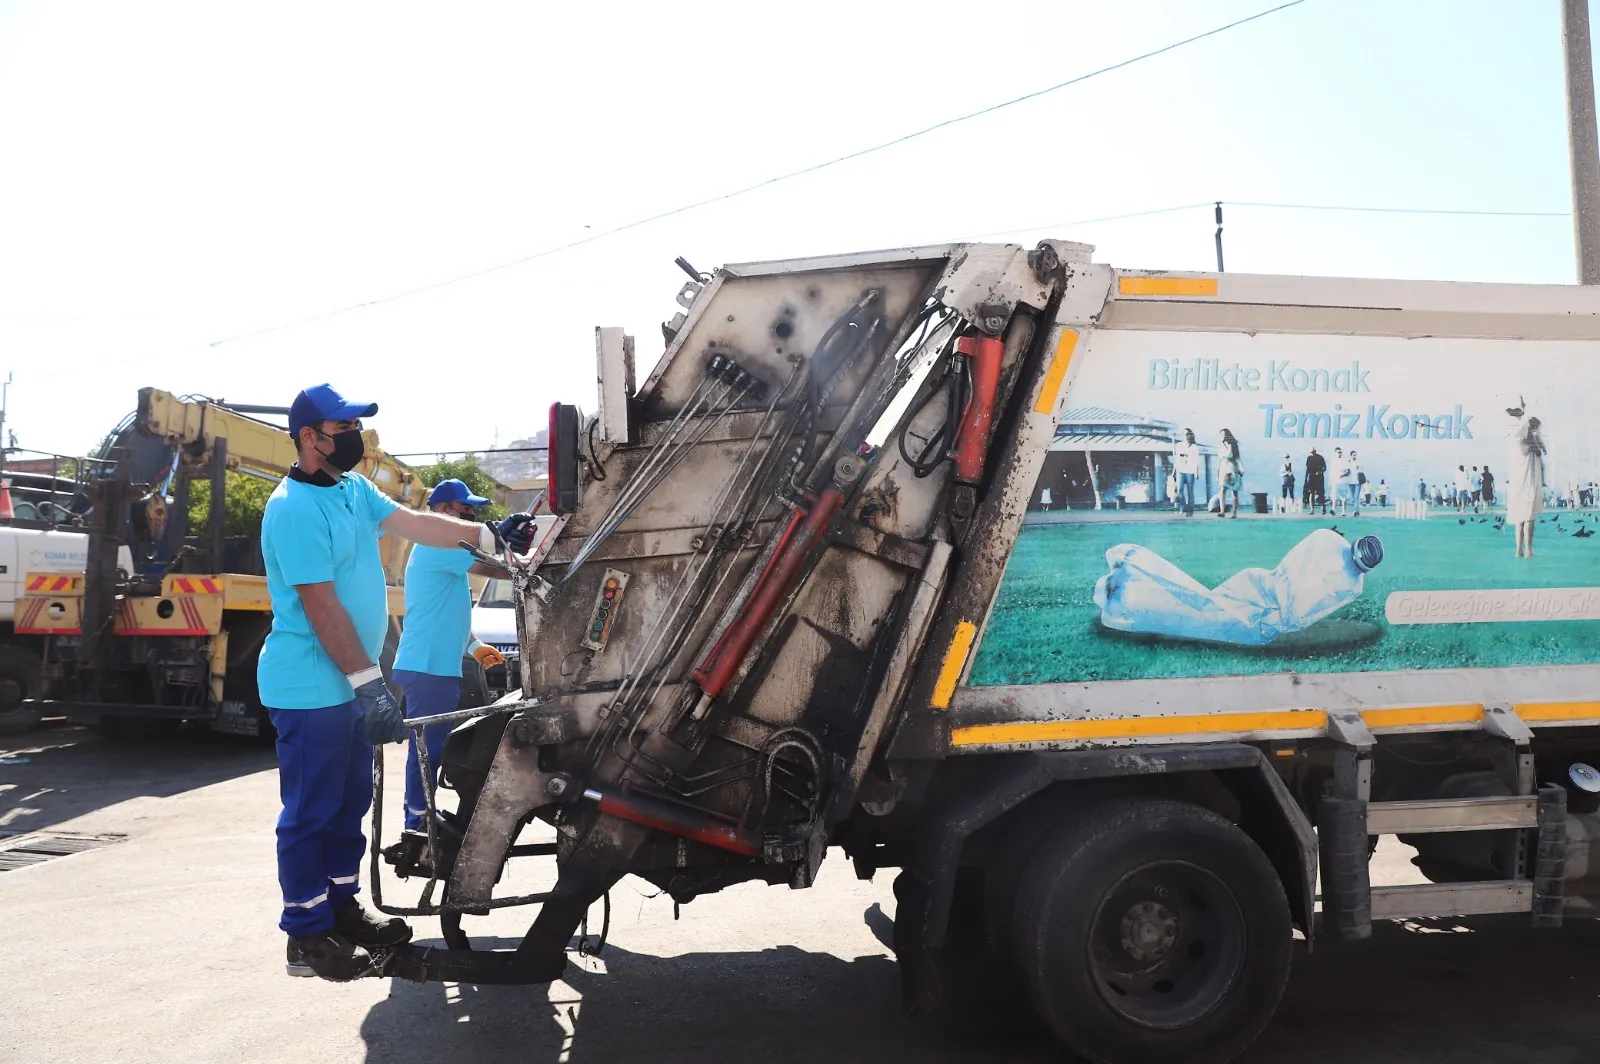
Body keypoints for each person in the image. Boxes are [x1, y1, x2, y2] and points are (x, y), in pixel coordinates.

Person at [259, 384, 538, 982]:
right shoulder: (292, 509)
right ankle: (305, 935)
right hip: (310, 686)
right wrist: (369, 682)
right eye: (344, 428)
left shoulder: (351, 490)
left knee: (350, 802)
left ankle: (340, 908)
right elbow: (321, 607)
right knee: (311, 809)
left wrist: (489, 533)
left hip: (346, 685)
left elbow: (417, 523)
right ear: (310, 437)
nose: (354, 437)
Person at [392, 479, 514, 845]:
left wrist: (475, 646)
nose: (471, 515)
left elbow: (449, 611)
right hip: (428, 666)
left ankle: (421, 811)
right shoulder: (434, 545)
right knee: (427, 748)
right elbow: (496, 568)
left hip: (434, 664)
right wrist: (538, 561)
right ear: (444, 510)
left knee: (434, 746)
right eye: (465, 509)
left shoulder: (441, 552)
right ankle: (417, 819)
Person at [1506, 401, 1546, 558]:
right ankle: (1528, 550)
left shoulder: (1512, 434)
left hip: (1516, 480)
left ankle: (1518, 550)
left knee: (1519, 518)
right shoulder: (1525, 434)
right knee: (1529, 517)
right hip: (1527, 478)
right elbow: (1538, 450)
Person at [1173, 428, 1200, 517]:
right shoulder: (1179, 445)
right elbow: (1177, 459)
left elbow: (1196, 461)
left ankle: (1190, 510)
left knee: (1190, 491)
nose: (1186, 436)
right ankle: (1183, 507)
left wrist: (1196, 472)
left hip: (1190, 471)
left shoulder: (1194, 447)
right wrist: (1174, 471)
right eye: (1185, 434)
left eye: (1188, 434)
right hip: (1180, 470)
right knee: (1180, 489)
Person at [1305, 448, 1328, 515]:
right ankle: (1312, 510)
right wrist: (1306, 479)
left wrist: (1320, 472)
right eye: (1311, 452)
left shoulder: (1320, 457)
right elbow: (1308, 469)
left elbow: (1324, 467)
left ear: (1315, 451)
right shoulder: (1309, 458)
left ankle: (1323, 508)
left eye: (1313, 452)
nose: (1312, 453)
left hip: (1319, 478)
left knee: (1320, 493)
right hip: (1311, 478)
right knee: (1311, 493)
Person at [1332, 447, 1352, 516]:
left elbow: (1349, 472)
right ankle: (1333, 510)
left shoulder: (1344, 461)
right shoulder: (1334, 461)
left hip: (1343, 481)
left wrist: (1343, 475)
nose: (1339, 453)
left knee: (1344, 497)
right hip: (1336, 482)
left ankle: (1343, 512)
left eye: (1340, 452)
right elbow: (1332, 473)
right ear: (1335, 453)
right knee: (1335, 496)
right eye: (1338, 452)